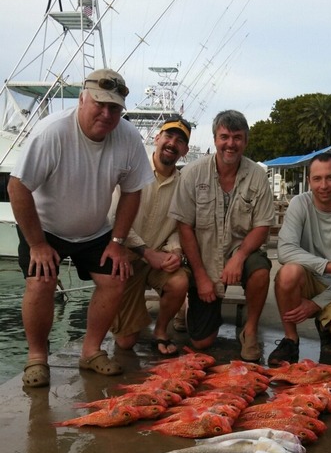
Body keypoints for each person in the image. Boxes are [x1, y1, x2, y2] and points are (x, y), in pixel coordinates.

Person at [8, 68, 154, 388]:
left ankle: (91, 351)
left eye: (114, 108)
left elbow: (132, 191)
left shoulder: (129, 137)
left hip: (94, 229)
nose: (106, 114)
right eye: (99, 104)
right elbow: (17, 187)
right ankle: (36, 358)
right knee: (41, 282)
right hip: (44, 228)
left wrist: (117, 241)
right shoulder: (52, 132)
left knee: (115, 278)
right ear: (82, 100)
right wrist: (37, 245)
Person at [169, 109, 275, 362]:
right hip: (203, 256)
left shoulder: (257, 176)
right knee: (201, 342)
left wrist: (239, 257)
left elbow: (262, 226)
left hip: (241, 251)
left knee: (260, 270)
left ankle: (250, 330)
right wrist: (200, 276)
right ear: (215, 139)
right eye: (224, 137)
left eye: (237, 137)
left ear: (245, 141)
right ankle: (189, 305)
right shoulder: (192, 173)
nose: (230, 143)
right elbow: (184, 226)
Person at [267, 152, 331, 367]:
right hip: (308, 278)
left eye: (330, 177)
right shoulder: (299, 204)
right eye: (317, 179)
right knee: (288, 273)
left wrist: (316, 304)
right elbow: (285, 250)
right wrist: (329, 266)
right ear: (309, 181)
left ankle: (327, 328)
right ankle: (290, 339)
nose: (324, 185)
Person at [109, 116, 191, 355]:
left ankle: (161, 330)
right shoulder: (131, 171)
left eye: (180, 141)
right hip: (125, 259)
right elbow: (113, 219)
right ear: (157, 138)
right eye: (168, 136)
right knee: (125, 342)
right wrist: (146, 252)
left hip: (157, 260)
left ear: (185, 150)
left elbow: (177, 227)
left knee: (179, 281)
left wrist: (176, 251)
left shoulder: (183, 185)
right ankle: (130, 311)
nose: (172, 143)